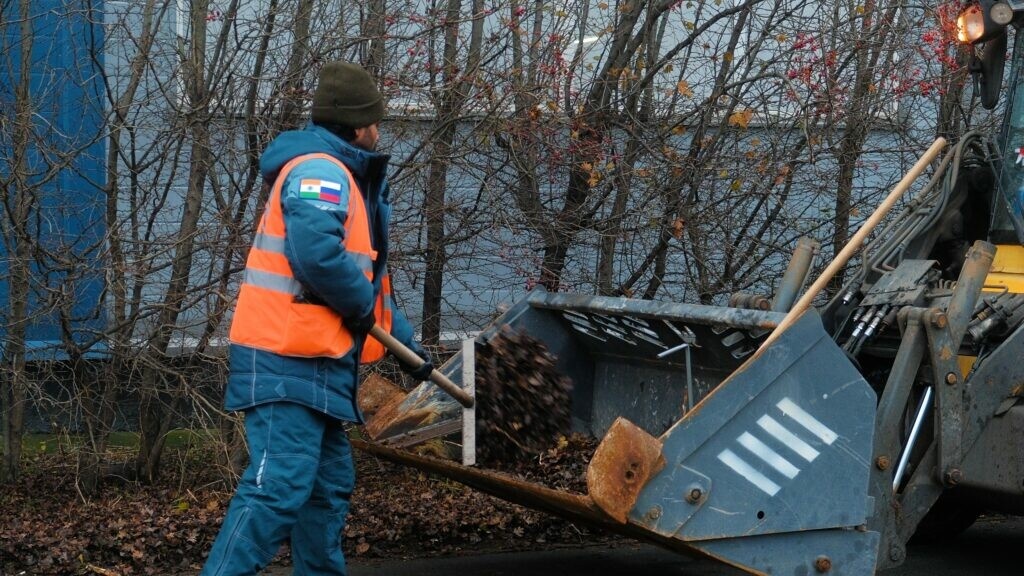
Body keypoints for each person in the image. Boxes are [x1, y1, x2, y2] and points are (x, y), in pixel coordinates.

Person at [201, 61, 434, 576]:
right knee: (276, 490)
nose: (380, 129)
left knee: (325, 492)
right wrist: (357, 308)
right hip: (287, 362)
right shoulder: (319, 173)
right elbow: (317, 257)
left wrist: (414, 351)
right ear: (356, 125)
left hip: (320, 368)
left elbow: (367, 289)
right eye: (375, 120)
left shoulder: (348, 179)